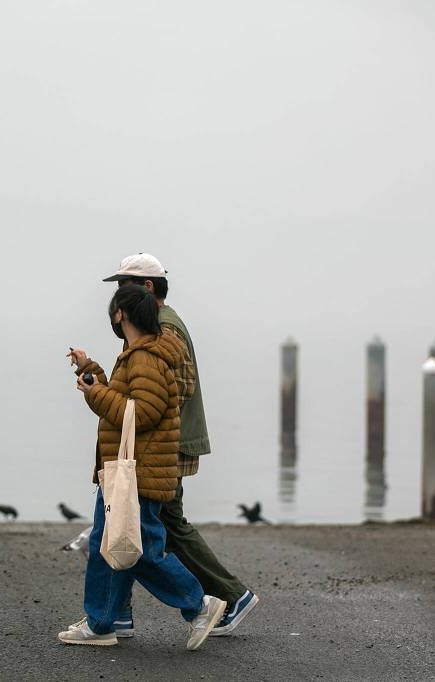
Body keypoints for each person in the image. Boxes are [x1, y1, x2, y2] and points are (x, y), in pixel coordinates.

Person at [60, 285, 226, 650]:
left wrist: (95, 395)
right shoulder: (139, 354)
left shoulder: (145, 357)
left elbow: (144, 413)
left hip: (137, 471)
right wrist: (92, 372)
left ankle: (200, 605)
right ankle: (102, 623)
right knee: (114, 547)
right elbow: (130, 403)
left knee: (140, 552)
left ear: (121, 314)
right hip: (134, 468)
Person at [103, 253, 258, 637]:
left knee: (150, 525)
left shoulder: (165, 327)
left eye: (125, 285)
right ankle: (118, 614)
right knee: (140, 523)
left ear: (147, 287)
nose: (119, 295)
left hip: (165, 445)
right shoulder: (155, 324)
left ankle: (227, 596)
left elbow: (178, 388)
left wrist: (140, 417)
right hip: (164, 442)